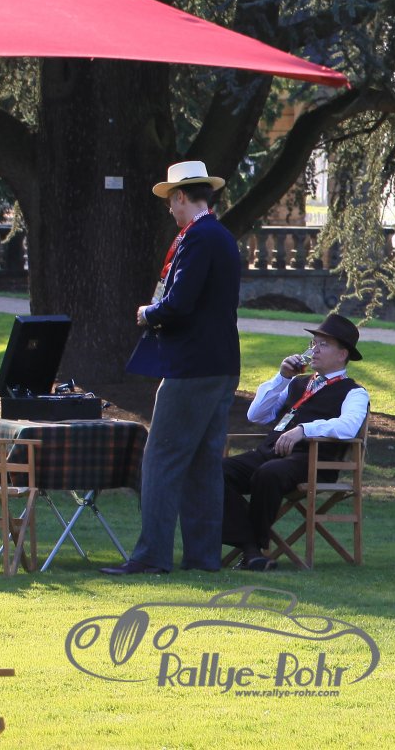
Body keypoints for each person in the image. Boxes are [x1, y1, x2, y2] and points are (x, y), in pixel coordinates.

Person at [103, 161, 241, 574]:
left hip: (192, 366)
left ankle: (151, 556)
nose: (169, 209)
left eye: (171, 200)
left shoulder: (197, 237)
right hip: (221, 363)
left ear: (181, 196)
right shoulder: (221, 235)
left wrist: (149, 313)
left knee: (161, 458)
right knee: (203, 464)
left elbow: (179, 303)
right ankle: (202, 557)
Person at [223, 313, 369, 571]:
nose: (314, 350)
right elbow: (256, 415)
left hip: (311, 461)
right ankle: (251, 548)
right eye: (314, 343)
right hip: (270, 453)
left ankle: (251, 549)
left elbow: (348, 426)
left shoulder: (354, 392)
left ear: (342, 354)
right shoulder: (297, 384)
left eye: (323, 344)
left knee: (268, 473)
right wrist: (282, 377)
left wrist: (304, 429)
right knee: (214, 471)